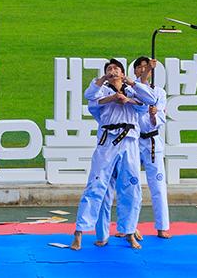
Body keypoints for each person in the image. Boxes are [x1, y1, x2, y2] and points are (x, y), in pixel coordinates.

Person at [71, 59, 152, 251]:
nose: (113, 71)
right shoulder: (101, 89)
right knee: (97, 185)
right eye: (109, 69)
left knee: (131, 187)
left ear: (123, 73)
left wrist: (128, 96)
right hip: (107, 141)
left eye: (116, 69)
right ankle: (81, 232)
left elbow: (149, 100)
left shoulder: (133, 90)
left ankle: (129, 232)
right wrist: (112, 96)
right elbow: (90, 98)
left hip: (130, 142)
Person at [96, 57, 172, 243]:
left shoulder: (158, 92)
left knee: (158, 185)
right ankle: (127, 227)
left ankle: (162, 226)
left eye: (146, 67)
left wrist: (155, 116)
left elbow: (160, 112)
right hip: (132, 140)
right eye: (139, 67)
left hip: (153, 140)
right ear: (135, 70)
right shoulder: (129, 87)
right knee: (128, 184)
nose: (143, 70)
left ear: (152, 70)